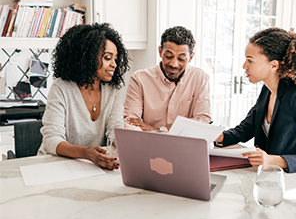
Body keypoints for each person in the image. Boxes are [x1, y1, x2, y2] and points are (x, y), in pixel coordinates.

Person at [214, 27, 296, 173]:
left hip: (291, 179)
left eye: (250, 61)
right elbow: (247, 129)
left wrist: (273, 160)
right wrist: (217, 136)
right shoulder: (267, 90)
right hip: (265, 176)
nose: (244, 66)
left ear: (274, 64)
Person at [38, 23, 130, 170]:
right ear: (88, 57)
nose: (114, 64)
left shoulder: (115, 89)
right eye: (107, 58)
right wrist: (86, 153)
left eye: (116, 59)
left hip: (93, 165)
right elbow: (51, 140)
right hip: (55, 165)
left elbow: (115, 128)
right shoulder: (61, 87)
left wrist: (121, 144)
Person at [124, 26, 211, 131]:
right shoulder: (139, 79)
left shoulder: (200, 78)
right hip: (148, 144)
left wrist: (159, 130)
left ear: (191, 57)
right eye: (169, 56)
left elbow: (203, 121)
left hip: (185, 145)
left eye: (181, 59)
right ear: (160, 51)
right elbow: (131, 122)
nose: (174, 64)